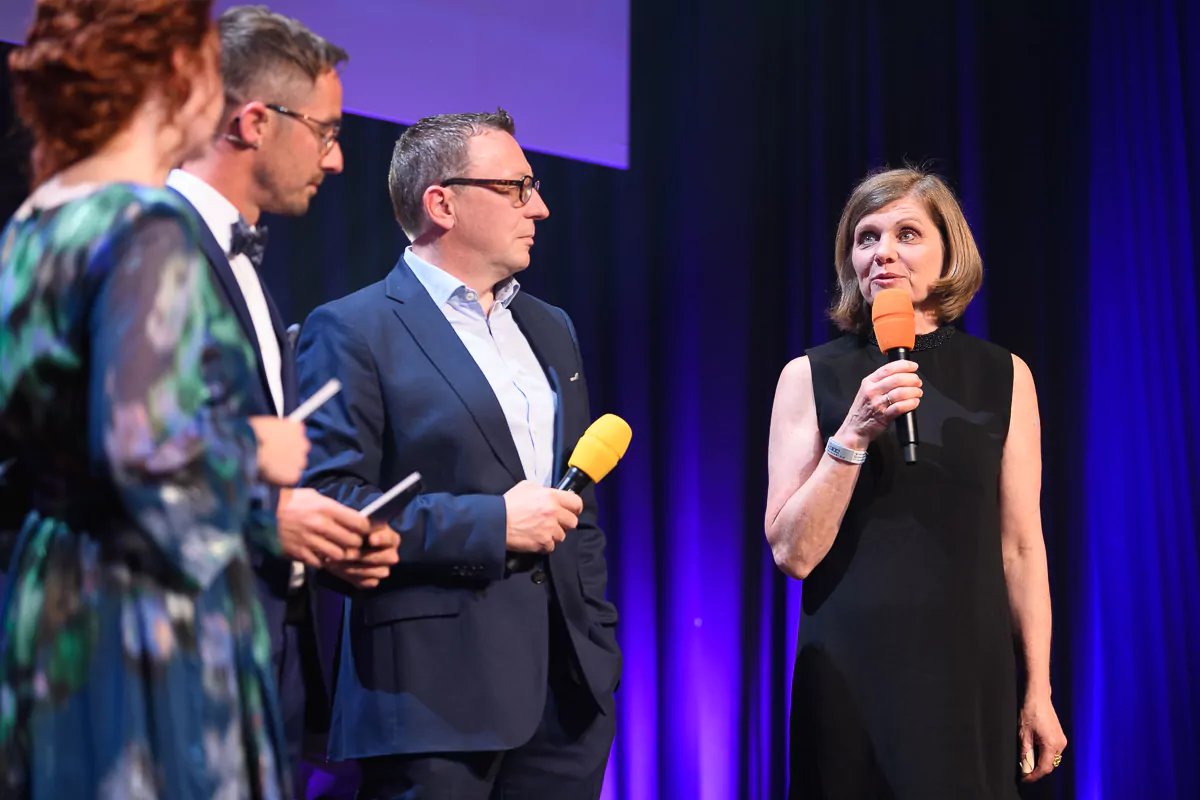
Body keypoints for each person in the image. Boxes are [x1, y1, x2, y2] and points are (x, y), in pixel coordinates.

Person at [0, 0, 310, 796]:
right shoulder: (145, 224)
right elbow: (146, 453)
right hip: (144, 609)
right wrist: (256, 449)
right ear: (179, 74)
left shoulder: (33, 224)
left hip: (53, 593)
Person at [294, 109, 620, 799]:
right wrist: (492, 524)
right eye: (516, 188)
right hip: (429, 700)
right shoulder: (352, 329)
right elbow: (332, 507)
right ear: (441, 203)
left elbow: (576, 506)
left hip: (565, 701)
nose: (540, 207)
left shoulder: (549, 326)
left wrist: (598, 642)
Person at [765, 167, 1068, 797]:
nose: (883, 252)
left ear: (948, 253)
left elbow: (1021, 547)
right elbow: (793, 553)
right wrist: (853, 433)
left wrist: (1038, 688)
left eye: (907, 234)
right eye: (866, 237)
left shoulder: (1005, 376)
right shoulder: (808, 376)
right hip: (849, 672)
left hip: (968, 672)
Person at [165, 7, 398, 795]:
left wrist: (319, 535)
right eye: (325, 132)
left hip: (264, 658)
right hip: (175, 666)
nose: (336, 159)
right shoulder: (148, 241)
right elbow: (87, 454)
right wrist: (265, 514)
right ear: (254, 121)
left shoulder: (240, 262)